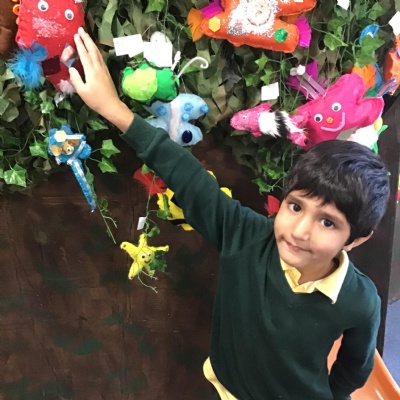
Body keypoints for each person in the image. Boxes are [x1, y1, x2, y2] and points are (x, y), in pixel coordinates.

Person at [69, 28, 391, 400]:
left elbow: (353, 371)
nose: (300, 231)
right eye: (295, 206)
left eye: (328, 222)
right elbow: (189, 178)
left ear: (357, 239)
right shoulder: (246, 237)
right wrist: (113, 109)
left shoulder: (361, 301)